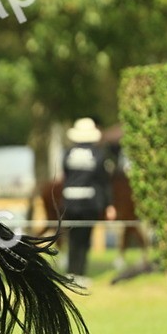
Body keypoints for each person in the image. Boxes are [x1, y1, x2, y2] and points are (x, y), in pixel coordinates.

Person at [60, 117, 116, 284]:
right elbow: (103, 181)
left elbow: (65, 174)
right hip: (89, 201)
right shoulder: (98, 155)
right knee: (84, 238)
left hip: (69, 200)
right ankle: (80, 273)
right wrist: (109, 204)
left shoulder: (68, 153)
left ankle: (71, 272)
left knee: (72, 238)